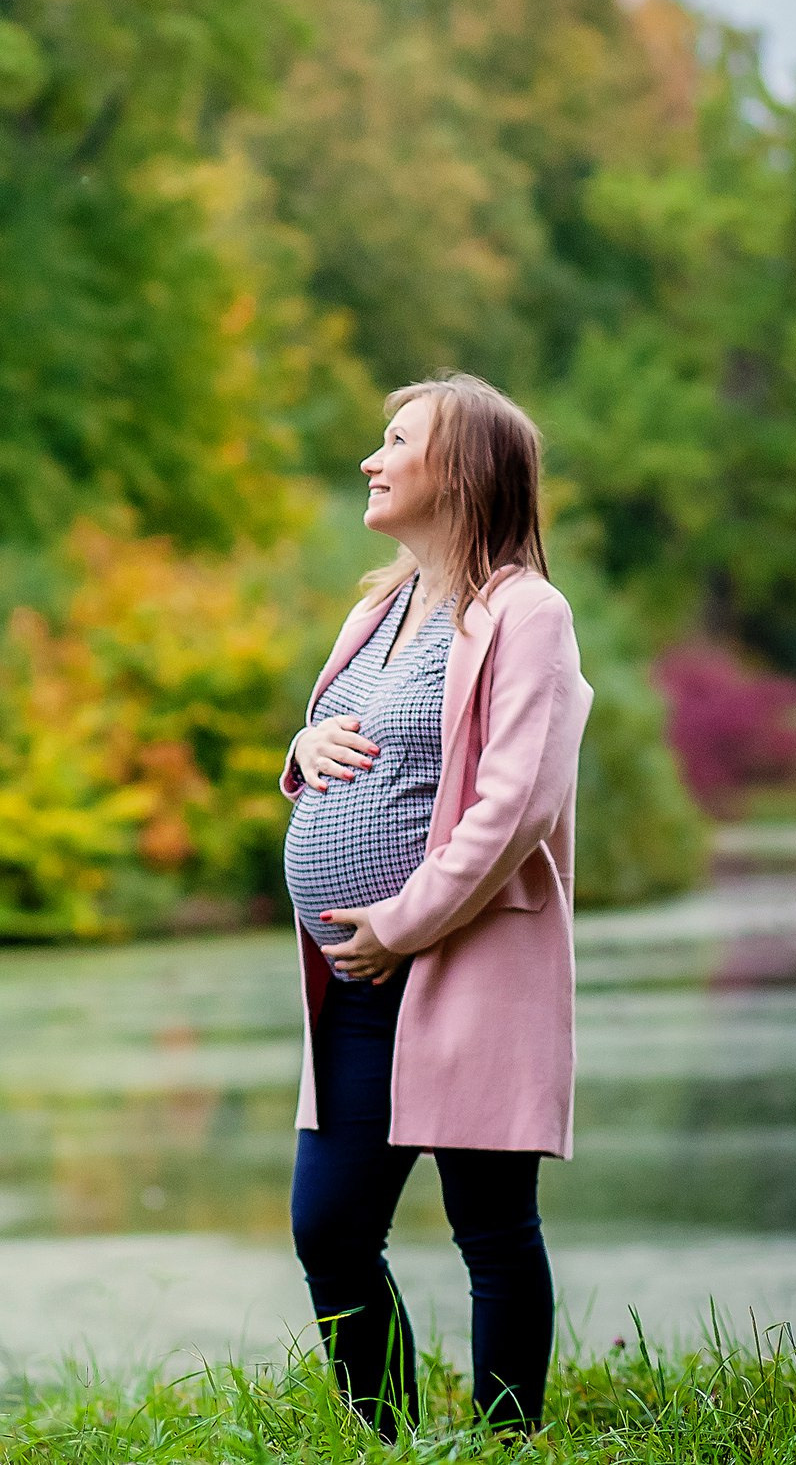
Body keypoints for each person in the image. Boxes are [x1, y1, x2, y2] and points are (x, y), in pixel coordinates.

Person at [279, 374, 591, 1437]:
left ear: (457, 470)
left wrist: (400, 923)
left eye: (395, 439)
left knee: (493, 1228)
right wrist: (300, 745)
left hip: (455, 965)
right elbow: (343, 740)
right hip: (353, 979)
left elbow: (514, 803)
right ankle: (392, 1442)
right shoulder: (376, 605)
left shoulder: (526, 614)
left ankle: (509, 1441)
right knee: (328, 1227)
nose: (372, 458)